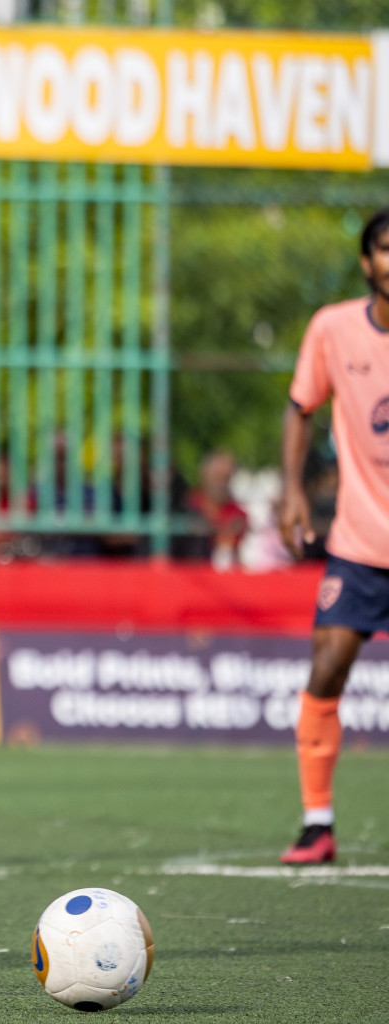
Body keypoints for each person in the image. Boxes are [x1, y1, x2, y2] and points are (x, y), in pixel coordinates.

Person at [277, 206, 389, 865]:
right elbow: (299, 409)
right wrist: (293, 491)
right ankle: (316, 822)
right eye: (385, 248)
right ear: (367, 261)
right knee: (327, 665)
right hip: (359, 543)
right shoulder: (333, 328)